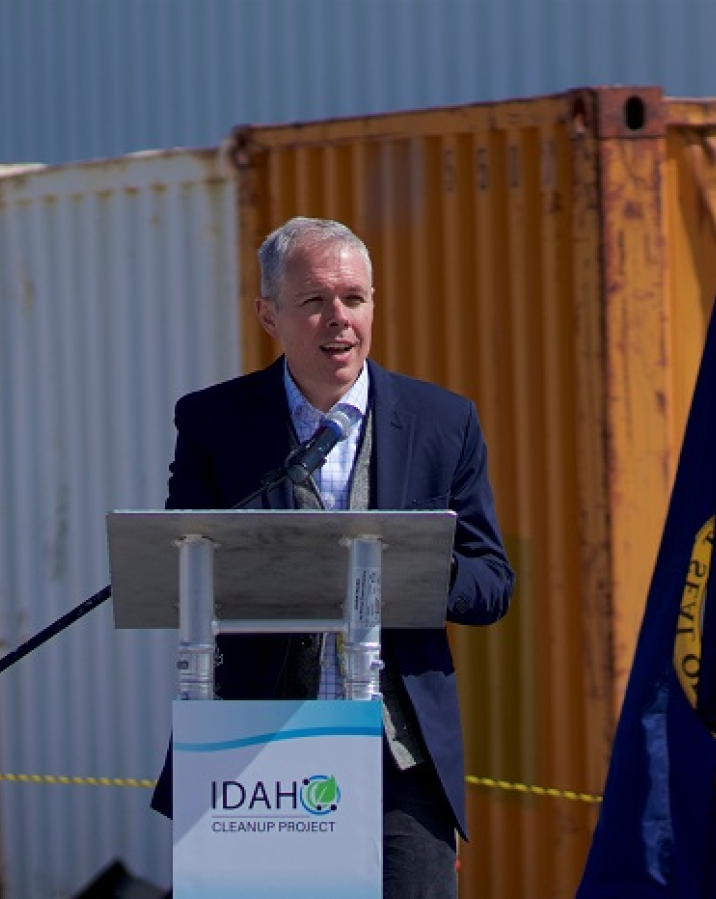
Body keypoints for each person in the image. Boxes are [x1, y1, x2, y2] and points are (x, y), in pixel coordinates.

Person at [151, 216, 515, 898]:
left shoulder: (444, 422)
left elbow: (491, 583)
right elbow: (182, 569)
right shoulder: (213, 422)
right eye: (314, 301)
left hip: (398, 758)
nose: (337, 319)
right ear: (269, 313)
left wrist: (401, 565)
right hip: (254, 750)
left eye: (353, 298)